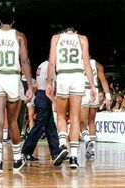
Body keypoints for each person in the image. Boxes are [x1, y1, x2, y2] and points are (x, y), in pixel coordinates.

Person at [0, 8, 33, 175]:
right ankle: (17, 159)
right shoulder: (19, 36)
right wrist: (30, 85)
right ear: (13, 21)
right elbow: (24, 61)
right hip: (13, 77)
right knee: (13, 121)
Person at [46, 27, 96, 169]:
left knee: (61, 115)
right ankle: (74, 157)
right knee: (75, 117)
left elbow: (51, 63)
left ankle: (62, 145)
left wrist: (49, 83)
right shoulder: (82, 38)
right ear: (75, 29)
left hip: (63, 76)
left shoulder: (56, 38)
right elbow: (86, 63)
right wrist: (92, 86)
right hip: (78, 77)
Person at [21, 60, 68, 166]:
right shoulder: (49, 66)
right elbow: (49, 82)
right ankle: (25, 151)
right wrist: (54, 101)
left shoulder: (41, 65)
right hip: (45, 95)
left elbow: (36, 84)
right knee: (39, 126)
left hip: (40, 94)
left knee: (50, 126)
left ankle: (56, 153)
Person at [80, 60, 111, 159]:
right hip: (96, 91)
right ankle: (92, 151)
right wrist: (108, 97)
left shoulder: (78, 62)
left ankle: (87, 140)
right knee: (92, 121)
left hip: (84, 91)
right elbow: (103, 81)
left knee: (82, 123)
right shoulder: (97, 65)